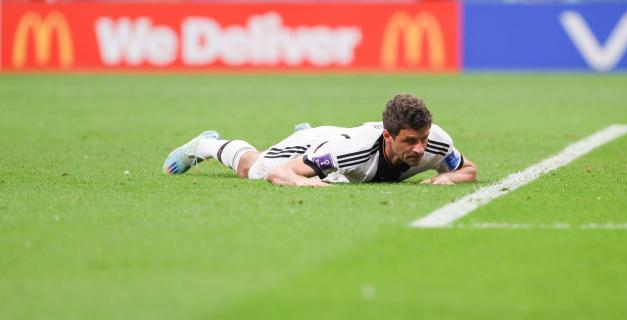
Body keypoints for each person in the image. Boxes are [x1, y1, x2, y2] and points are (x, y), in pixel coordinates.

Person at [162, 93, 477, 187]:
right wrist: (306, 184)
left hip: (334, 148)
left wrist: (447, 179)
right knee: (252, 168)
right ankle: (206, 145)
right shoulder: (352, 152)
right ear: (388, 136)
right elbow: (281, 173)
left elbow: (469, 169)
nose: (420, 149)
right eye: (410, 141)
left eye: (422, 139)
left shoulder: (437, 142)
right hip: (319, 145)